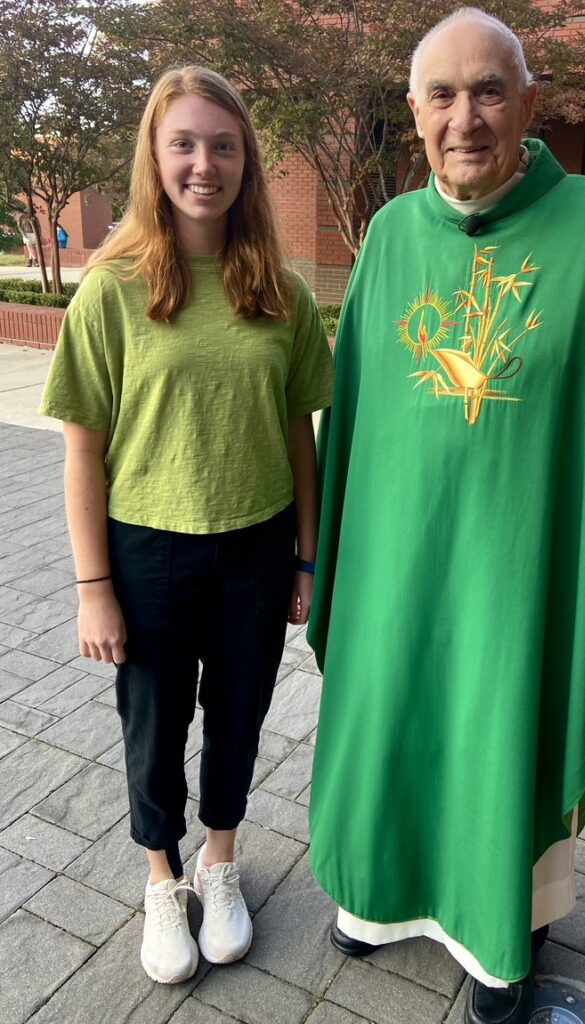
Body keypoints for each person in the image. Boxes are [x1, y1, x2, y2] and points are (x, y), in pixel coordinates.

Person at [306, 9, 585, 1024]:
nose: (464, 118)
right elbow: (356, 418)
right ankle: (377, 899)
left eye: (487, 92)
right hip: (397, 563)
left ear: (527, 103)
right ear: (413, 111)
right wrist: (328, 556)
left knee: (500, 726)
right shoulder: (389, 236)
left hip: (520, 567)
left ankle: (498, 931)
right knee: (388, 714)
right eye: (441, 95)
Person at [40, 65, 333, 987]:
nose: (204, 164)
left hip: (256, 546)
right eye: (184, 144)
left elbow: (299, 437)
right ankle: (161, 878)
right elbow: (82, 452)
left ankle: (220, 860)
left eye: (223, 146)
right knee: (154, 724)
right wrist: (94, 588)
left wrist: (307, 560)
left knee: (238, 715)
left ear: (246, 162)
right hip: (146, 549)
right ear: (155, 158)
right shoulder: (112, 289)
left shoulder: (280, 292)